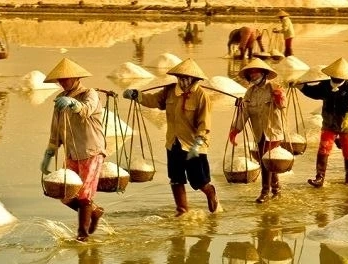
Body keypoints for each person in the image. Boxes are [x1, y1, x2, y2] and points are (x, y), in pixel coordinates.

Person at [122, 58, 218, 217]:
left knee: (199, 181)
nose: (183, 80)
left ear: (194, 79)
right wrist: (137, 95)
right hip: (173, 142)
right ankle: (182, 209)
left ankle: (210, 192)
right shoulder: (170, 91)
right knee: (176, 178)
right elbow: (154, 100)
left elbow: (204, 124)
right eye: (180, 77)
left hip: (194, 145)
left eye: (186, 77)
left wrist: (197, 143)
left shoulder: (201, 96)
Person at [39, 58, 106, 242]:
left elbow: (87, 109)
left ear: (76, 78)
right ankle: (95, 212)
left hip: (91, 151)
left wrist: (73, 104)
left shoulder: (89, 94)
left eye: (65, 79)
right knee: (66, 195)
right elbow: (56, 131)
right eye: (60, 80)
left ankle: (82, 236)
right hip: (71, 153)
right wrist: (49, 154)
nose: (62, 83)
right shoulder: (60, 101)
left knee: (84, 196)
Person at [228, 59, 286, 203]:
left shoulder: (274, 87)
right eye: (251, 74)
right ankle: (276, 189)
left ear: (263, 73)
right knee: (266, 162)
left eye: (256, 72)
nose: (253, 75)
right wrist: (235, 130)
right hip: (259, 133)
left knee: (267, 162)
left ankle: (265, 192)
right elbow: (245, 113)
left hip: (273, 132)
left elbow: (282, 106)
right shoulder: (250, 93)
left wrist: (279, 97)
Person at [296, 58, 348, 187]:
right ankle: (319, 177)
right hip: (329, 123)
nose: (336, 79)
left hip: (345, 124)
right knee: (324, 149)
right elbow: (314, 93)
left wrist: (347, 118)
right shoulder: (325, 85)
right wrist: (301, 86)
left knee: (347, 150)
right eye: (334, 77)